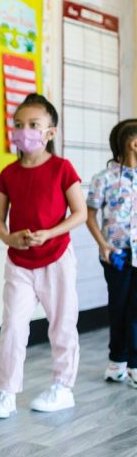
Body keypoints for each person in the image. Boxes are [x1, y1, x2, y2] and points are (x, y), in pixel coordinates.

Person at [0, 93, 86, 419]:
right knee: (12, 328)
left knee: (62, 324)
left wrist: (50, 233)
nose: (24, 130)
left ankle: (63, 387)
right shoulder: (8, 174)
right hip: (19, 263)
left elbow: (80, 213)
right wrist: (9, 238)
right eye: (18, 124)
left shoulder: (62, 168)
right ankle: (6, 392)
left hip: (57, 258)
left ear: (50, 132)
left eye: (33, 124)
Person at [86, 119, 137, 386]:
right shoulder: (103, 178)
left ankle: (135, 365)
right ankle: (117, 361)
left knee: (136, 310)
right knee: (118, 307)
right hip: (116, 254)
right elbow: (89, 215)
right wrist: (102, 244)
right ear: (133, 143)